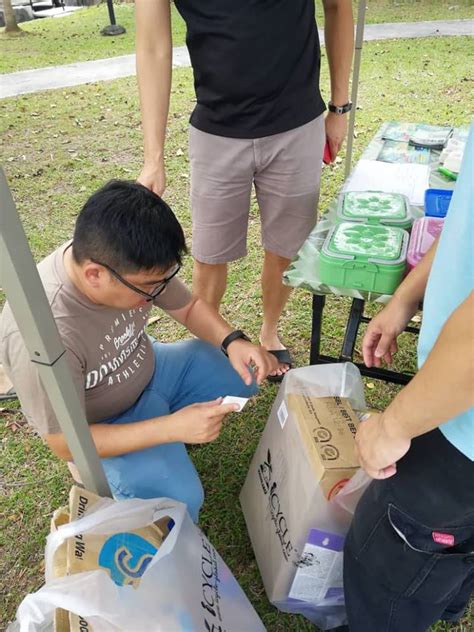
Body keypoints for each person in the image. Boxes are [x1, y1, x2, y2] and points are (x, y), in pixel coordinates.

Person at [0, 180, 279, 522]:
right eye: (149, 289)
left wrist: (233, 340)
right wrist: (171, 428)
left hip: (151, 367)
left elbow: (188, 307)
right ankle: (112, 468)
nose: (157, 294)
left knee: (243, 376)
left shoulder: (124, 259)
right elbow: (63, 442)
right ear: (94, 275)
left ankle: (163, 432)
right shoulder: (42, 334)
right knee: (182, 500)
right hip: (105, 421)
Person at [135, 0, 354, 379]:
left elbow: (338, 7)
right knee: (209, 254)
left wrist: (339, 108)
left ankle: (270, 331)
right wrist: (153, 156)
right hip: (216, 129)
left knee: (286, 247)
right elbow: (152, 44)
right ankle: (212, 347)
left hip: (297, 123)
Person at [342, 126, 474, 631]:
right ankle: (445, 605)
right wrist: (407, 296)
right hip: (455, 400)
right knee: (454, 545)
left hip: (460, 429)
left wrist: (392, 427)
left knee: (386, 560)